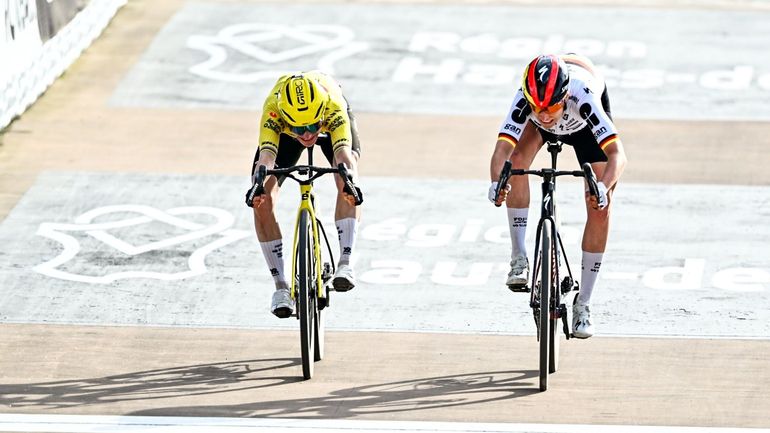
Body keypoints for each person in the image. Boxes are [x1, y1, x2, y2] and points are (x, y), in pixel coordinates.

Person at [488, 54, 627, 338]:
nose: (545, 115)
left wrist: (603, 187)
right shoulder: (528, 100)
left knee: (601, 205)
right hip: (543, 127)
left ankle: (584, 303)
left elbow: (618, 156)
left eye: (551, 107)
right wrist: (496, 182)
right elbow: (502, 150)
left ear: (564, 95)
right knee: (514, 166)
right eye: (537, 108)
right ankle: (519, 257)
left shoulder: (582, 95)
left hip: (583, 128)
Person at [247, 71, 362, 319]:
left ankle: (345, 262)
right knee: (262, 200)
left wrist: (349, 180)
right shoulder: (274, 110)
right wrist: (257, 185)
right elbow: (266, 159)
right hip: (284, 135)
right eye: (300, 127)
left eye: (312, 126)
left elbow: (342, 153)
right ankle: (280, 287)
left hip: (331, 126)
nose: (308, 134)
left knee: (346, 178)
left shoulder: (332, 105)